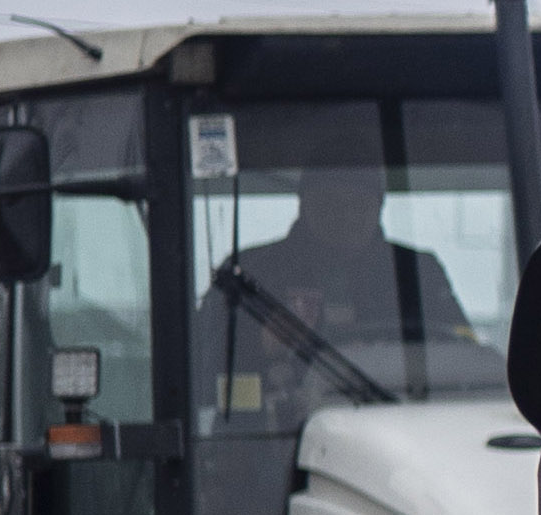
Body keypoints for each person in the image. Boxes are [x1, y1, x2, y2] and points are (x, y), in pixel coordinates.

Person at [200, 162, 483, 415]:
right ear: (304, 204)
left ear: (379, 207)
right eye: (330, 204)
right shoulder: (249, 271)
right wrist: (259, 345)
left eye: (359, 205)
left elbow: (462, 356)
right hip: (272, 435)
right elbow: (198, 369)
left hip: (397, 424)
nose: (346, 216)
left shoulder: (418, 272)